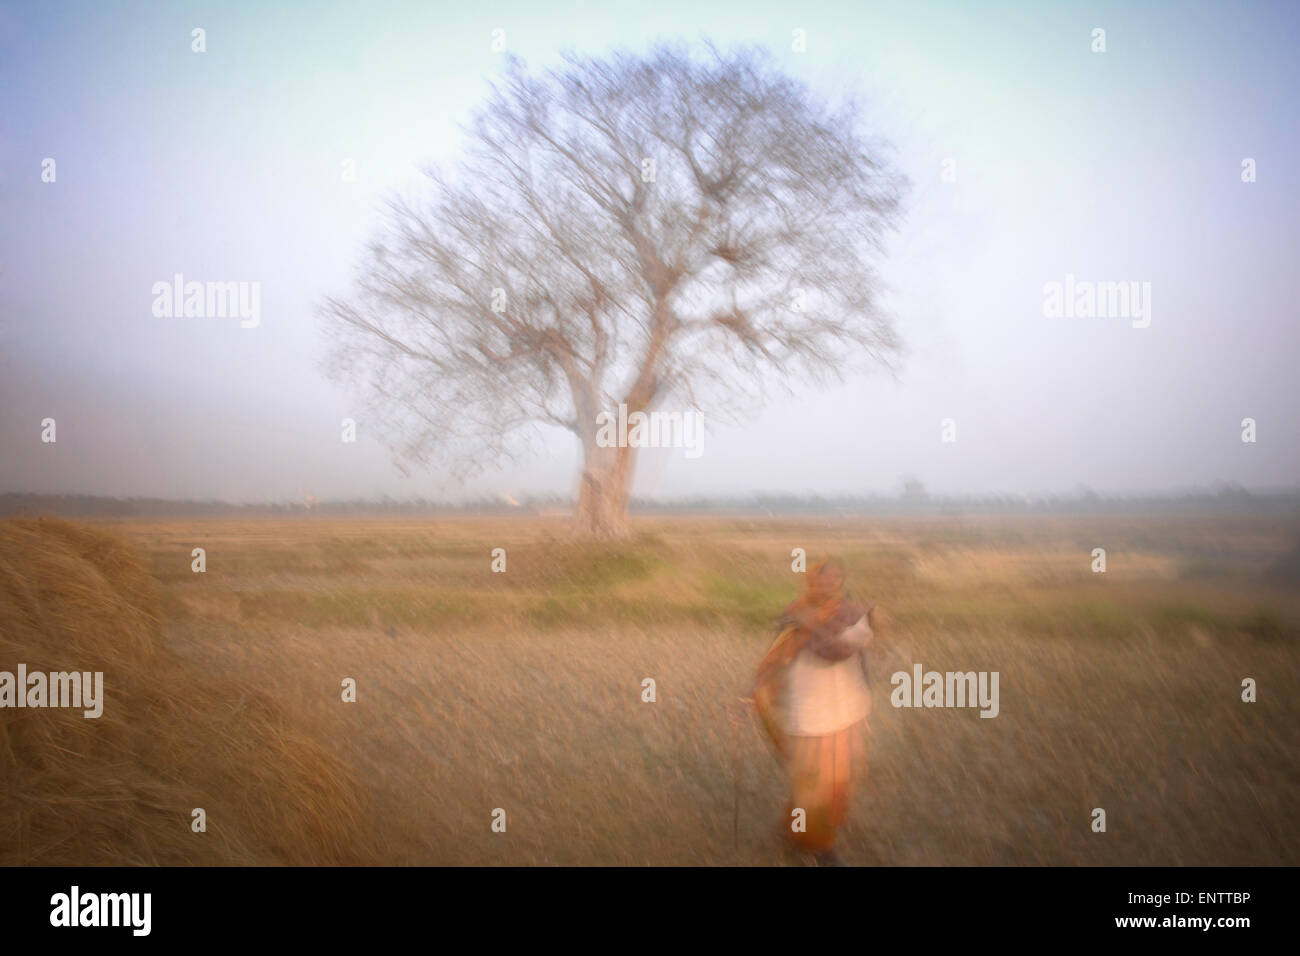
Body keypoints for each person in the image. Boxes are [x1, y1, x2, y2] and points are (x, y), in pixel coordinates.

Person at [750, 558, 875, 865]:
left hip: (846, 708)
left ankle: (794, 830)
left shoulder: (854, 614)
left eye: (832, 580)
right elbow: (775, 657)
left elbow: (842, 650)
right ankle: (822, 848)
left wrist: (812, 627)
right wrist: (755, 690)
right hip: (808, 711)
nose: (824, 587)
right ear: (808, 583)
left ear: (841, 581)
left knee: (840, 779)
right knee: (814, 783)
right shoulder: (794, 613)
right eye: (817, 581)